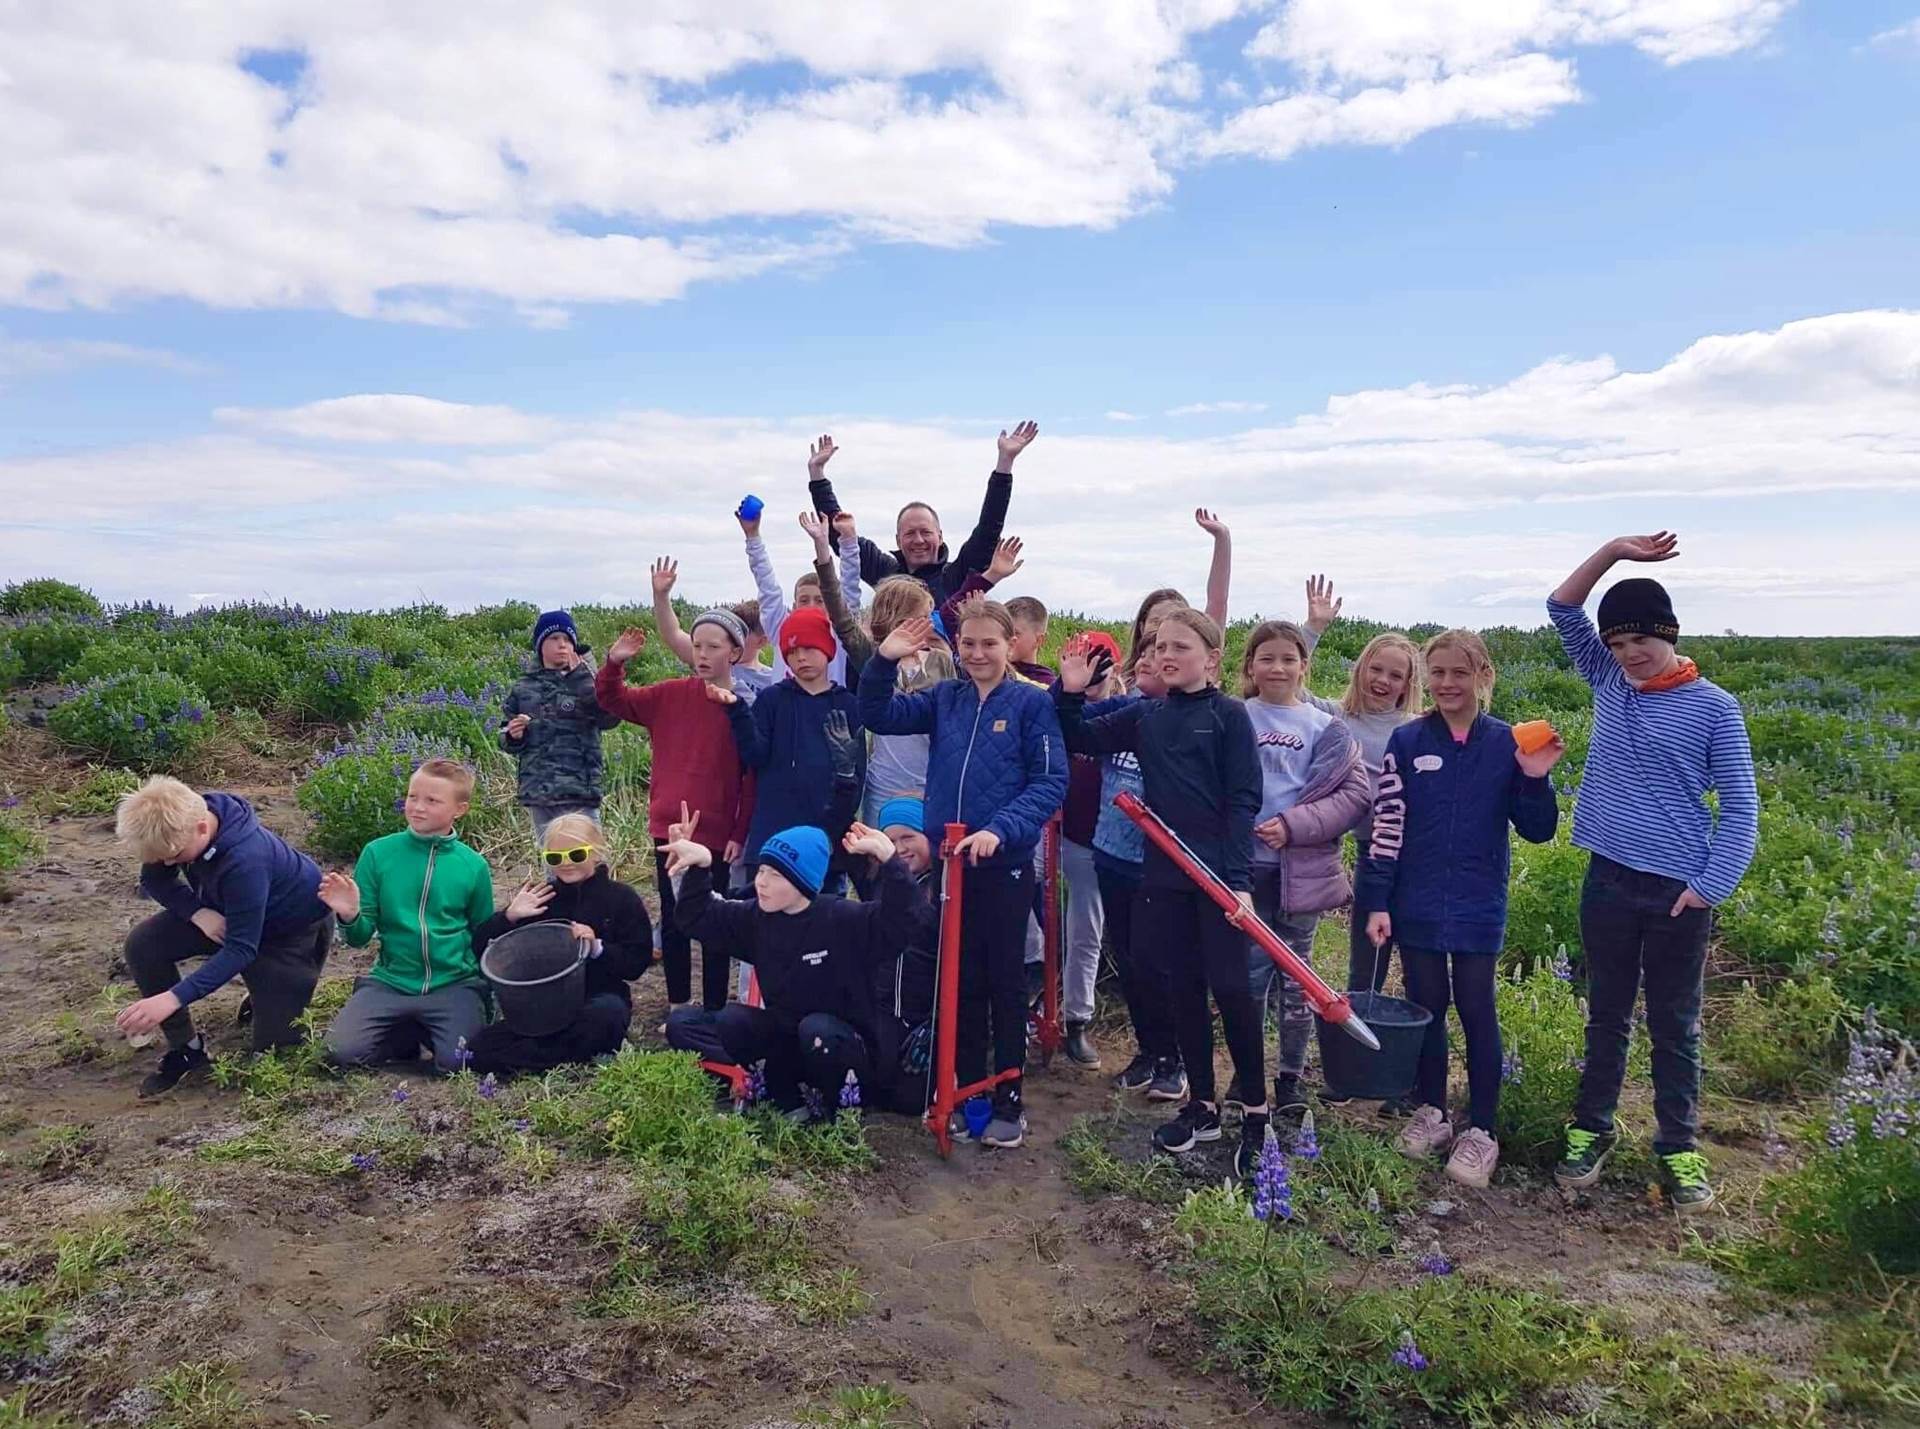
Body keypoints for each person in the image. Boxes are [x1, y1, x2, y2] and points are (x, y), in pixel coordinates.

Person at [1548, 533, 1759, 1213]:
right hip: (1607, 876)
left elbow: (1741, 807)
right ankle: (1591, 1129)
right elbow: (1560, 605)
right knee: (1606, 1014)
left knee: (1675, 1021)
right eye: (1617, 641)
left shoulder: (1715, 707)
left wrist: (1710, 885)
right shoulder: (1609, 680)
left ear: (1668, 634)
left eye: (1640, 638)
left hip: (1678, 892)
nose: (1629, 652)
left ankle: (1679, 1145)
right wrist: (1612, 551)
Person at [1055, 611, 1270, 1178]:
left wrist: (1240, 883)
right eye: (1159, 646)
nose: (1167, 654)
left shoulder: (1229, 717)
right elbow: (1076, 735)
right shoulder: (1147, 716)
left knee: (1231, 988)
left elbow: (1244, 800)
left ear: (1212, 659)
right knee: (1183, 988)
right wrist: (1070, 693)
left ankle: (1255, 1114)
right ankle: (1201, 1105)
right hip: (1163, 875)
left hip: (1218, 878)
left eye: (1180, 646)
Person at [1356, 631, 1564, 1188]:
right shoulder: (1406, 740)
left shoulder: (1508, 743)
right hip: (1416, 900)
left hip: (1477, 901)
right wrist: (1377, 900)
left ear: (1483, 676)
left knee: (1476, 1008)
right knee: (1426, 1005)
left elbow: (1539, 830)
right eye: (1438, 673)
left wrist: (1537, 779)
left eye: (1459, 673)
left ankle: (1483, 1131)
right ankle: (1434, 1114)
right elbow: (1387, 828)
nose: (1448, 684)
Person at [859, 597, 1068, 1150]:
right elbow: (877, 715)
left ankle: (1008, 1097)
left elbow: (1049, 782)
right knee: (961, 980)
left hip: (1001, 865)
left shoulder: (1029, 704)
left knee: (1002, 980)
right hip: (949, 865)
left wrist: (1000, 829)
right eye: (968, 644)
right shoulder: (945, 699)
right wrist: (883, 660)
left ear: (1009, 645)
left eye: (989, 644)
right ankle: (968, 1088)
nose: (977, 654)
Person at [661, 820, 927, 1119]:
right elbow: (697, 918)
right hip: (786, 1042)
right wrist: (700, 866)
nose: (761, 882)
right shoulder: (756, 917)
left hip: (842, 1046)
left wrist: (891, 861)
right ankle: (780, 1094)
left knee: (817, 1030)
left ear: (802, 883)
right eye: (761, 871)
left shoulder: (841, 918)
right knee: (699, 1021)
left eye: (775, 875)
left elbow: (904, 921)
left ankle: (839, 1113)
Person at [112, 777, 334, 1095]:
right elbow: (154, 879)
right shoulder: (176, 825)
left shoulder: (246, 860)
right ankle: (187, 1049)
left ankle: (269, 991)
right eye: (162, 858)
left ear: (202, 828)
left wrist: (170, 998)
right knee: (143, 945)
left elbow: (240, 949)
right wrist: (199, 914)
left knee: (277, 1057)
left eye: (175, 855)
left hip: (290, 935)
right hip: (225, 916)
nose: (170, 863)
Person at [1240, 620, 1369, 1126]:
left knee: (1298, 981)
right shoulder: (1236, 717)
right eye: (1266, 658)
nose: (1277, 668)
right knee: (1248, 979)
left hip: (1301, 873)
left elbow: (1354, 797)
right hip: (1245, 873)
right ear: (1250, 665)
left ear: (1304, 666)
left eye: (1288, 659)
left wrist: (1293, 826)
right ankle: (1246, 1075)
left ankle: (1290, 1077)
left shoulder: (1325, 727)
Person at [595, 619, 754, 1014]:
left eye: (713, 646)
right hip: (668, 827)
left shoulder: (742, 708)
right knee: (674, 917)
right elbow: (614, 700)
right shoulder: (668, 694)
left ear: (734, 652)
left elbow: (752, 775)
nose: (702, 654)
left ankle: (716, 1008)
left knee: (714, 919)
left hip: (716, 832)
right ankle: (680, 1005)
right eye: (698, 645)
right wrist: (614, 663)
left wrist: (739, 830)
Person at [318, 760, 496, 1072]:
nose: (417, 807)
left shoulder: (473, 866)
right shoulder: (378, 853)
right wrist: (349, 915)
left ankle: (429, 1028)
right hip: (391, 982)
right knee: (339, 1055)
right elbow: (359, 938)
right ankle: (405, 1033)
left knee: (460, 1064)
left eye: (432, 801)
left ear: (460, 809)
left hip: (453, 984)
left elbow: (482, 935)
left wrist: (485, 996)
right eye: (413, 797)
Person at [467, 814, 652, 1076]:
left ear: (596, 851)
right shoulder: (542, 898)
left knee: (606, 1017)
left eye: (576, 855)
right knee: (476, 1049)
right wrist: (509, 916)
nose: (565, 863)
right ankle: (570, 1058)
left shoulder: (621, 898)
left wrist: (598, 948)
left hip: (598, 997)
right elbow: (483, 949)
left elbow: (636, 963)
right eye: (555, 858)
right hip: (540, 1007)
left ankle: (535, 1060)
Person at [1304, 628, 1423, 996]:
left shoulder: (1416, 727)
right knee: (1367, 964)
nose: (1382, 681)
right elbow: (1288, 687)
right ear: (1360, 670)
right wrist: (1311, 630)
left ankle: (1410, 1039)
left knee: (1420, 966)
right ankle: (1357, 1038)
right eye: (1376, 669)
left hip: (1418, 853)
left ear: (1407, 685)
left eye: (1395, 675)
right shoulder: (1337, 716)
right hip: (1372, 852)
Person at [1090, 646, 1184, 1100]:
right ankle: (1147, 1052)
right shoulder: (1126, 712)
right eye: (1144, 653)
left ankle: (1173, 1059)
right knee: (1127, 959)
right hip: (1112, 853)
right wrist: (1074, 689)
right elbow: (1076, 731)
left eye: (1163, 654)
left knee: (1159, 963)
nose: (1148, 660)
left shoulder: (1182, 722)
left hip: (1158, 862)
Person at [807, 423, 1038, 602]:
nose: (918, 540)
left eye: (926, 532)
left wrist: (1004, 464)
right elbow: (839, 532)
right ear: (898, 540)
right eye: (909, 534)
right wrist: (817, 474)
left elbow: (989, 527)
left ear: (940, 536)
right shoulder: (885, 572)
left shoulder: (957, 577)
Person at [723, 606, 865, 879]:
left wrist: (836, 831)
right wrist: (738, 712)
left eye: (809, 648)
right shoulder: (771, 700)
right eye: (792, 651)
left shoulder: (848, 705)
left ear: (827, 649)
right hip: (773, 836)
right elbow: (754, 756)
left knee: (825, 917)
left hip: (827, 843)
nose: (800, 657)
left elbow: (856, 778)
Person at [1056, 630, 1124, 1069]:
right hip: (1056, 832)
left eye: (1098, 662)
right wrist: (1068, 685)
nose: (1090, 671)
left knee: (1086, 928)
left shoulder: (1128, 710)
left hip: (1101, 841)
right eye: (1081, 659)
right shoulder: (1056, 701)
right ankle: (1030, 994)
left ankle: (1077, 1019)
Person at [741, 442, 864, 684]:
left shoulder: (839, 633)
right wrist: (752, 536)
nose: (811, 605)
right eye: (804, 600)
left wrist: (849, 542)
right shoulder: (781, 628)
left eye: (820, 600)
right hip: (787, 718)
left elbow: (849, 588)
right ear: (794, 604)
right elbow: (767, 587)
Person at [500, 609, 619, 841]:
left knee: (589, 858)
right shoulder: (524, 685)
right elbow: (503, 734)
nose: (562, 645)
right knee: (554, 861)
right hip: (539, 791)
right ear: (540, 645)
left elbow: (609, 718)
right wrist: (514, 736)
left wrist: (581, 679)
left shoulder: (591, 679)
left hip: (580, 790)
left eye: (567, 639)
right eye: (554, 638)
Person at [649, 556, 776, 703]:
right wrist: (661, 596)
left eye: (743, 633)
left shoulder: (773, 679)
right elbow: (673, 634)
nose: (733, 637)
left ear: (762, 641)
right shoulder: (714, 658)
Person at [1005, 596, 1054, 686]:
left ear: (1039, 640)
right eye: (1002, 632)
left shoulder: (1047, 684)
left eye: (1016, 633)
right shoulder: (986, 669)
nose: (1006, 639)